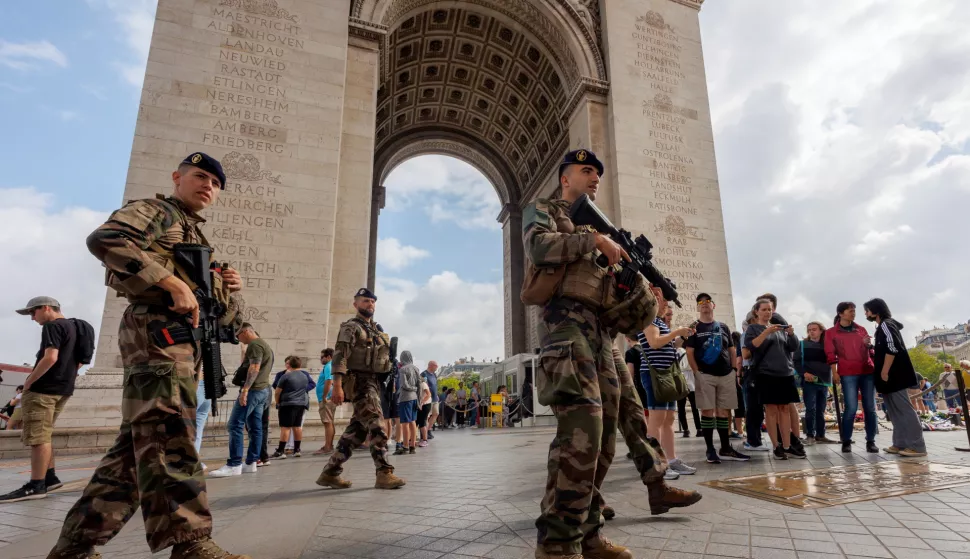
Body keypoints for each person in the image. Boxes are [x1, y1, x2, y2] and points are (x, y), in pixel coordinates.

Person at [46, 153, 248, 558]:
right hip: (158, 337)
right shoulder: (157, 210)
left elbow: (222, 316)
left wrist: (230, 288)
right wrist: (168, 279)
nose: (208, 185)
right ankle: (190, 545)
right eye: (200, 176)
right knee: (170, 437)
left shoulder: (194, 235)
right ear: (177, 178)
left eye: (215, 182)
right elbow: (106, 238)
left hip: (179, 344)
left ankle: (74, 547)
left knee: (132, 456)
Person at [525, 149, 697, 559]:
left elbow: (627, 320)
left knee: (604, 439)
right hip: (566, 330)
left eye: (598, 173)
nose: (595, 178)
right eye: (587, 171)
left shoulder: (608, 238)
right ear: (566, 178)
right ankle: (557, 543)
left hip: (600, 337)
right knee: (581, 434)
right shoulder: (546, 209)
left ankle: (588, 533)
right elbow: (538, 248)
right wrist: (594, 238)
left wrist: (643, 294)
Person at [315, 288, 405, 490]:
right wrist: (337, 386)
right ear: (355, 304)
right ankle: (384, 473)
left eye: (372, 301)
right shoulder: (351, 327)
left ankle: (330, 473)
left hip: (373, 383)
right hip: (360, 383)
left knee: (355, 433)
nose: (369, 304)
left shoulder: (376, 331)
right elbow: (340, 357)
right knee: (379, 428)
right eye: (365, 301)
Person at [0, 297, 79, 503]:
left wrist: (29, 382)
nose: (32, 318)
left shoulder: (52, 326)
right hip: (64, 388)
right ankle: (49, 477)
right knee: (45, 434)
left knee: (37, 438)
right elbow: (80, 359)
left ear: (46, 308)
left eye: (33, 313)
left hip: (43, 389)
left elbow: (50, 357)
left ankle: (36, 485)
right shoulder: (77, 327)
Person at [638, 287, 696, 477]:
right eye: (664, 302)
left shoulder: (659, 322)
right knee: (656, 418)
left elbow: (668, 344)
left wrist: (682, 337)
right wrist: (676, 332)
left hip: (667, 375)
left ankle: (671, 459)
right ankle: (656, 464)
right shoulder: (648, 320)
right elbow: (654, 343)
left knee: (669, 418)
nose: (667, 306)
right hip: (655, 375)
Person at [685, 293, 749, 464]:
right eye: (701, 302)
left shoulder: (723, 326)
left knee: (723, 412)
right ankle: (710, 449)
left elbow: (731, 349)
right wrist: (697, 372)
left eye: (707, 301)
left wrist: (734, 370)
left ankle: (725, 447)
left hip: (726, 374)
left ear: (714, 306)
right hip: (705, 374)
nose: (704, 304)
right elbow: (689, 352)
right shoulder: (694, 328)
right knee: (707, 411)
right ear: (698, 307)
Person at [209, 324, 274, 477]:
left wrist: (244, 391)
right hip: (263, 390)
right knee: (255, 426)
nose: (237, 339)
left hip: (253, 391)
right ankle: (251, 462)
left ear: (246, 331)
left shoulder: (255, 345)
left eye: (238, 335)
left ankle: (234, 464)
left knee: (234, 424)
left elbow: (254, 368)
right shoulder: (265, 345)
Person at [865, 299, 927, 457]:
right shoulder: (882, 327)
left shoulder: (886, 324)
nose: (866, 313)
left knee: (904, 409)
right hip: (888, 376)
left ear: (875, 311)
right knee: (893, 410)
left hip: (894, 375)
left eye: (867, 310)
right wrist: (871, 347)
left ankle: (917, 445)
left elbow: (892, 347)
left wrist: (885, 371)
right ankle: (900, 443)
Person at [745, 299, 805, 460]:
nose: (767, 312)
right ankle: (776, 446)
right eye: (764, 309)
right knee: (771, 410)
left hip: (785, 373)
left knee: (785, 410)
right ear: (756, 311)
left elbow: (793, 347)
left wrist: (791, 334)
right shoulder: (753, 328)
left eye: (769, 309)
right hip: (766, 374)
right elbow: (752, 346)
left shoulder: (780, 329)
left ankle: (787, 445)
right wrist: (766, 332)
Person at [825, 302, 878, 453]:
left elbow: (870, 350)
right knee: (851, 408)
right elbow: (830, 354)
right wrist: (834, 372)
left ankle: (871, 441)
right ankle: (846, 440)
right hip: (847, 372)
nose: (853, 313)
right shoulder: (831, 333)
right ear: (841, 314)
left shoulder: (860, 329)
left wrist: (868, 345)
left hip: (867, 371)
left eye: (854, 311)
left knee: (870, 408)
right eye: (850, 311)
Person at [794, 321, 837, 444]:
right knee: (810, 409)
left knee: (821, 410)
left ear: (821, 331)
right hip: (809, 381)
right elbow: (796, 362)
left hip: (824, 381)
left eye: (814, 329)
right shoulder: (802, 344)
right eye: (809, 330)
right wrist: (804, 373)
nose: (811, 331)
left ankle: (821, 435)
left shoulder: (827, 345)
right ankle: (810, 435)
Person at [270, 356, 314, 459]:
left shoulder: (285, 376)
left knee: (285, 427)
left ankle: (281, 451)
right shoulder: (304, 376)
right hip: (300, 404)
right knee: (297, 427)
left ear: (290, 364)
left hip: (288, 403)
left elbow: (277, 391)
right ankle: (297, 449)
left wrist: (278, 402)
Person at [395, 350, 420, 455]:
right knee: (413, 422)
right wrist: (419, 400)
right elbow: (419, 386)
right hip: (414, 398)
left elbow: (404, 385)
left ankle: (405, 446)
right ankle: (412, 446)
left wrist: (411, 388)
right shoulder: (416, 369)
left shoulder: (402, 369)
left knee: (404, 423)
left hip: (405, 398)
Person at [314, 348, 336, 455]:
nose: (320, 359)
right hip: (329, 398)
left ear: (329, 357)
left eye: (322, 357)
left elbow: (329, 381)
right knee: (329, 422)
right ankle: (329, 445)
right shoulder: (330, 365)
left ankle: (327, 447)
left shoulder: (328, 366)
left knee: (327, 422)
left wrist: (324, 396)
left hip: (326, 399)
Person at [421, 361, 439, 438]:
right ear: (431, 365)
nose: (437, 367)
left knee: (436, 413)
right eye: (436, 366)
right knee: (427, 416)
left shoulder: (434, 375)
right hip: (428, 398)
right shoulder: (424, 374)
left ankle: (428, 429)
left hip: (435, 398)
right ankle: (424, 432)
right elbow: (424, 386)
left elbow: (435, 385)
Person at [417, 375, 432, 446]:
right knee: (418, 421)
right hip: (422, 404)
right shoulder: (419, 384)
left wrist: (422, 402)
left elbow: (428, 394)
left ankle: (425, 440)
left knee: (422, 422)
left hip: (425, 405)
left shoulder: (423, 384)